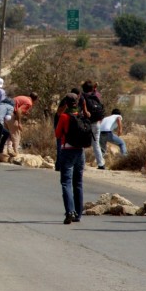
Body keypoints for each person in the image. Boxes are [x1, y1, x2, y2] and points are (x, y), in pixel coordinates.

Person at [54, 93, 84, 224]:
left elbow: (57, 134)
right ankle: (78, 213)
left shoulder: (64, 116)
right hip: (80, 152)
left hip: (67, 151)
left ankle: (70, 211)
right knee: (78, 183)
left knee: (66, 183)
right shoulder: (82, 115)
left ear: (66, 103)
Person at [79, 80, 106, 169]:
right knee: (96, 144)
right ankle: (101, 164)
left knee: (82, 143)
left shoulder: (82, 96)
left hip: (87, 125)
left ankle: (81, 163)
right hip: (97, 124)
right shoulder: (96, 96)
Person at [6, 92, 38, 157]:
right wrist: (19, 123)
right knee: (16, 134)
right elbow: (18, 110)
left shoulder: (23, 97)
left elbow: (17, 107)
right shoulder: (29, 103)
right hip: (12, 115)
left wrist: (24, 112)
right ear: (35, 99)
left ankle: (8, 149)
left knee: (9, 134)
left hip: (5, 114)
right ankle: (15, 152)